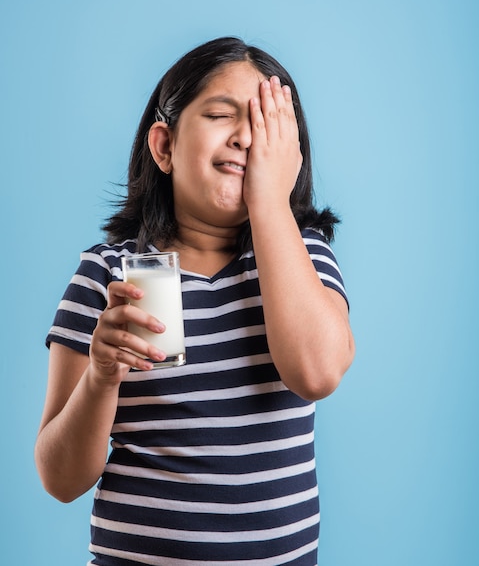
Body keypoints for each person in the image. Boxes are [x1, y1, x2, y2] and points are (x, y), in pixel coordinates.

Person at [35, 36, 355, 565]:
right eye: (222, 115)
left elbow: (316, 373)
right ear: (164, 147)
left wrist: (269, 201)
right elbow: (60, 479)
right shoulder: (109, 275)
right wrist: (100, 375)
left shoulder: (305, 258)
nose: (245, 137)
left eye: (266, 125)